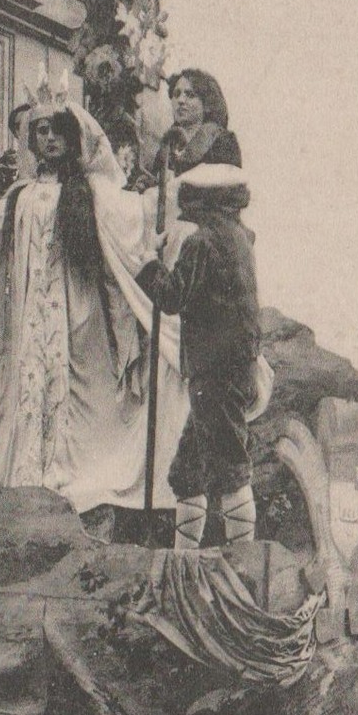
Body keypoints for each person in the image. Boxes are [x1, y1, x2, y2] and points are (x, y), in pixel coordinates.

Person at [0, 91, 189, 515]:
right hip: (29, 314)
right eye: (41, 131)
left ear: (73, 138)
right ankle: (24, 478)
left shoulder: (89, 190)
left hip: (78, 310)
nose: (49, 138)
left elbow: (133, 217)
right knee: (26, 384)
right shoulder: (20, 193)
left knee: (80, 396)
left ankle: (70, 480)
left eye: (57, 131)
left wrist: (168, 196)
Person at [137, 163, 262, 548]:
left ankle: (243, 568)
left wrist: (149, 263)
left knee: (229, 468)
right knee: (189, 472)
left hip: (212, 373)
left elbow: (172, 298)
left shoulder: (201, 243)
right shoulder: (241, 239)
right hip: (234, 370)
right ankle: (186, 563)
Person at [146, 69, 242, 225]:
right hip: (169, 225)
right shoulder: (168, 144)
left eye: (190, 95)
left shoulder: (222, 141)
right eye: (176, 94)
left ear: (207, 104)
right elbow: (155, 187)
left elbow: (231, 195)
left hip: (211, 230)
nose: (181, 100)